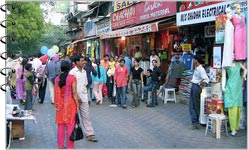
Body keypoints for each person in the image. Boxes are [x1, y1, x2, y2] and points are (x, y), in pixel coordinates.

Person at [69, 55, 98, 142]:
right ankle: (71, 134)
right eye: (82, 61)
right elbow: (70, 87)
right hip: (74, 99)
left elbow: (85, 85)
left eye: (84, 61)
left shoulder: (84, 72)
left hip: (84, 98)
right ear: (77, 62)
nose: (84, 62)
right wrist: (76, 97)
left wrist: (85, 96)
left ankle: (89, 134)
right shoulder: (72, 72)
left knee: (86, 116)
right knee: (73, 117)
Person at [54, 61, 79, 149]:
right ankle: (70, 146)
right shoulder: (72, 78)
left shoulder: (57, 79)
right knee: (70, 125)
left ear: (61, 68)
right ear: (70, 68)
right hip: (70, 104)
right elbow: (74, 93)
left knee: (61, 125)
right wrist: (78, 105)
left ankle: (60, 145)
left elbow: (56, 92)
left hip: (60, 104)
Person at [222, 61, 247, 135]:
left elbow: (245, 70)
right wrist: (223, 86)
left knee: (238, 107)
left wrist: (243, 77)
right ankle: (232, 128)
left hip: (238, 86)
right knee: (232, 107)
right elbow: (223, 76)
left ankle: (236, 127)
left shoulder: (238, 64)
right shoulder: (226, 65)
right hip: (230, 86)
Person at [188, 54, 209, 129]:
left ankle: (195, 122)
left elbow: (206, 79)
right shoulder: (196, 68)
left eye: (194, 59)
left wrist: (200, 84)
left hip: (196, 87)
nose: (193, 60)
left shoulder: (201, 69)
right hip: (194, 86)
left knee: (195, 105)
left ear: (197, 60)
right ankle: (195, 122)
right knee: (192, 105)